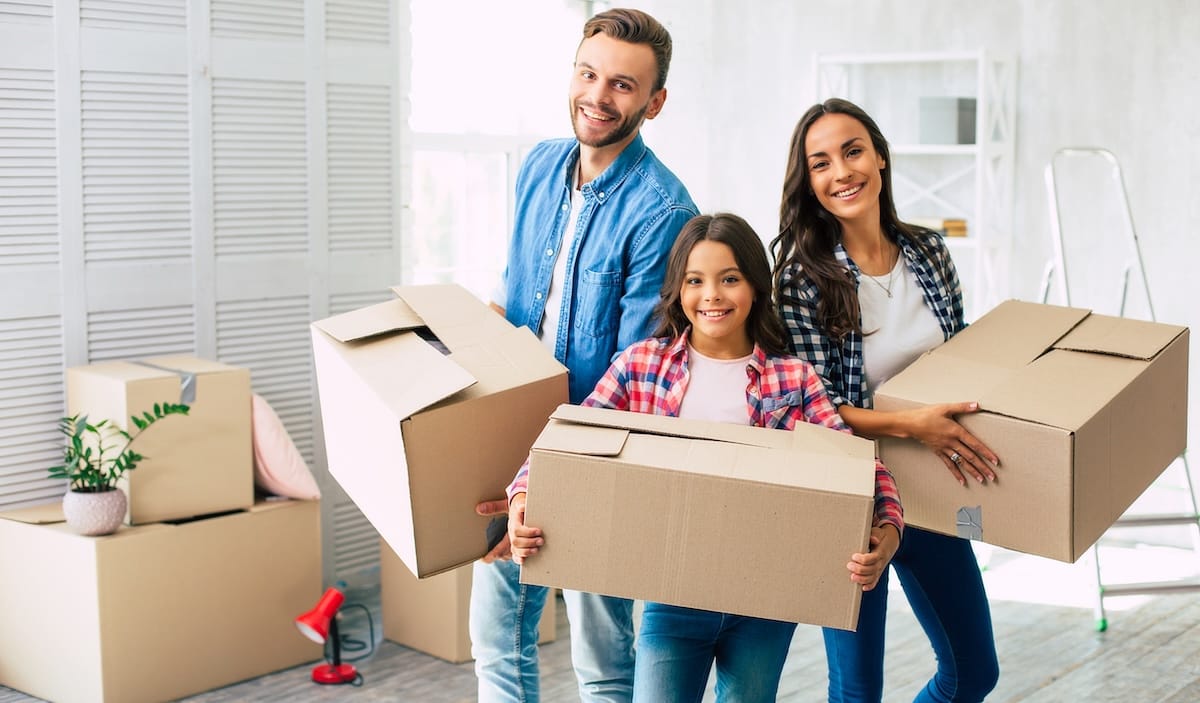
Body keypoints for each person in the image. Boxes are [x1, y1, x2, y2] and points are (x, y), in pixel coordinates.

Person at [507, 213, 905, 703]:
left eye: (729, 279)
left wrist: (887, 530)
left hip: (765, 606)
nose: (712, 295)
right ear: (678, 289)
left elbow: (863, 469)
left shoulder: (793, 380)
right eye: (695, 281)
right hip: (673, 599)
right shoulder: (641, 365)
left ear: (756, 286)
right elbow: (568, 439)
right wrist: (524, 494)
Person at [468, 8, 699, 703]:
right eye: (588, 73)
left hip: (597, 461)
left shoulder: (663, 210)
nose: (597, 96)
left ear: (654, 102)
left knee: (602, 664)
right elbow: (518, 307)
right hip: (510, 450)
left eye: (623, 85)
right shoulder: (539, 166)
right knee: (496, 647)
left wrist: (549, 480)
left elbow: (633, 379)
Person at [770, 98, 1001, 703]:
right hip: (852, 496)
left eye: (852, 152)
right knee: (856, 691)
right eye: (820, 163)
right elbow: (809, 409)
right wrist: (912, 424)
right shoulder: (802, 280)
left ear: (880, 157)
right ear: (809, 182)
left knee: (974, 671)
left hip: (934, 486)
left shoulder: (929, 253)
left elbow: (960, 358)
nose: (840, 172)